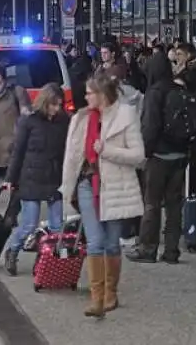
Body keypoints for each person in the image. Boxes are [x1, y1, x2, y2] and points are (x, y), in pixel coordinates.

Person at [60, 74, 145, 318]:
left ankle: (111, 292)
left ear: (102, 94)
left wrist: (107, 150)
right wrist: (67, 187)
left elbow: (139, 156)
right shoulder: (81, 118)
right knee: (95, 242)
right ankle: (96, 298)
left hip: (115, 186)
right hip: (87, 183)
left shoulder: (125, 115)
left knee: (111, 243)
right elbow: (71, 156)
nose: (85, 97)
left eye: (89, 93)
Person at [2, 84, 70, 276]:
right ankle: (12, 249)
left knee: (57, 226)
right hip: (31, 176)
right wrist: (10, 178)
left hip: (53, 176)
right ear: (45, 102)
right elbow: (18, 151)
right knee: (29, 224)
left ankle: (46, 260)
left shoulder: (63, 121)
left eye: (59, 105)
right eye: (53, 105)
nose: (57, 109)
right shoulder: (29, 121)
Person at [129, 51, 190, 264]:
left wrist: (143, 153)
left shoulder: (154, 92)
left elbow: (150, 127)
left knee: (152, 203)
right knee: (174, 205)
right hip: (180, 155)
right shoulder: (180, 89)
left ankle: (148, 247)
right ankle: (172, 250)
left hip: (159, 156)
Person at [0, 62, 31, 210]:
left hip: (11, 151)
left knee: (10, 188)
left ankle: (9, 217)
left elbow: (26, 117)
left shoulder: (16, 92)